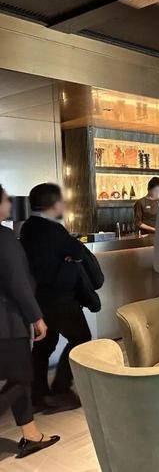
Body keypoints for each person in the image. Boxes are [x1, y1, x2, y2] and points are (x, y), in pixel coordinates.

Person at [20, 184, 95, 413]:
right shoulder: (53, 229)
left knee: (44, 345)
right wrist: (70, 257)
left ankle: (37, 394)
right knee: (81, 338)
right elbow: (78, 251)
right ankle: (61, 390)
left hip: (40, 297)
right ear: (53, 204)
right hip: (60, 297)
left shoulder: (27, 227)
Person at [0, 185, 60, 458]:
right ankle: (31, 434)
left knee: (18, 379)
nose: (9, 204)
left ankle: (31, 434)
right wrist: (36, 316)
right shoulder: (4, 237)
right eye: (5, 200)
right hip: (7, 322)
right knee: (22, 377)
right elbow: (18, 282)